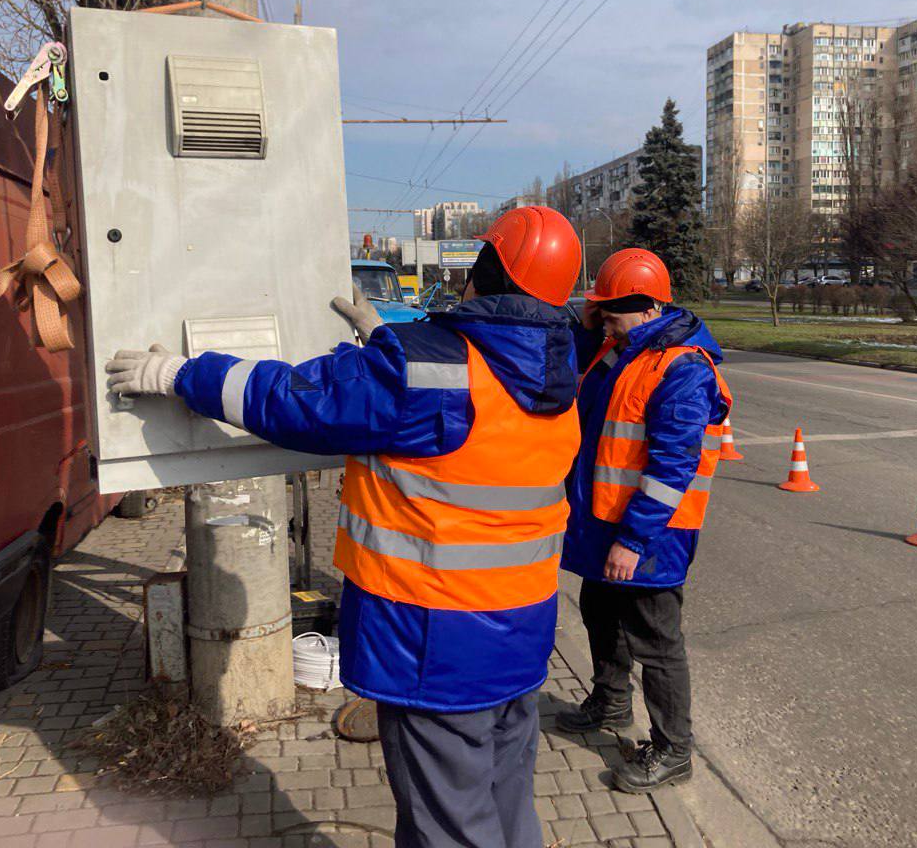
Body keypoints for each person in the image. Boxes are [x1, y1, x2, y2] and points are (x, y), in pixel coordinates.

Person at [105, 206, 584, 848]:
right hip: (519, 636)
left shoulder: (426, 372)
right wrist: (388, 341)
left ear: (483, 272)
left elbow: (295, 399)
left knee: (449, 828)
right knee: (506, 804)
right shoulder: (556, 378)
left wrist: (181, 374)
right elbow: (462, 422)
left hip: (435, 647)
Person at [556, 248, 733, 794]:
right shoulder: (620, 350)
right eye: (600, 311)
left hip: (650, 536)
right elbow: (575, 381)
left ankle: (674, 750)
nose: (603, 318)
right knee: (599, 614)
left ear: (650, 307)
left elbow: (672, 468)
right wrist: (594, 327)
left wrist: (633, 540)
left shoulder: (682, 369)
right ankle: (610, 703)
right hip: (605, 523)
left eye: (612, 310)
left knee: (656, 641)